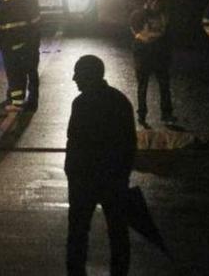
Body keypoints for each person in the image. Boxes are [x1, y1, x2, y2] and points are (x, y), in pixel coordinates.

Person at [65, 55, 136, 276]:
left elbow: (74, 140)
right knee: (118, 233)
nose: (74, 78)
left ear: (88, 76)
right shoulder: (120, 101)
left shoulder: (82, 104)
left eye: (78, 73)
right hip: (113, 178)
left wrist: (73, 172)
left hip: (84, 179)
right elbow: (129, 143)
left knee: (78, 233)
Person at [0, 0, 40, 116]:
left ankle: (16, 103)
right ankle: (29, 101)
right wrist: (34, 43)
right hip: (28, 46)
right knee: (30, 73)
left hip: (10, 48)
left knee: (14, 74)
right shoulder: (26, 4)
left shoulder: (2, 7)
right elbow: (35, 25)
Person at [129, 0, 175, 128]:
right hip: (144, 56)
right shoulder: (138, 15)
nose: (157, 6)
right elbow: (139, 34)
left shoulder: (163, 16)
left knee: (164, 86)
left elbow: (167, 35)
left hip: (159, 55)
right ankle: (142, 114)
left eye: (158, 4)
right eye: (154, 3)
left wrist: (168, 54)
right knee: (143, 86)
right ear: (148, 2)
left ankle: (166, 114)